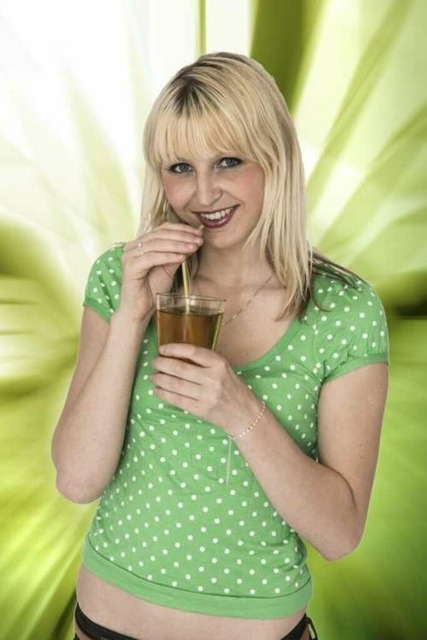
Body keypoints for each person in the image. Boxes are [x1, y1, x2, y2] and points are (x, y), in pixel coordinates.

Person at [51, 52, 389, 640]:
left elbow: (340, 534)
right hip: (105, 625)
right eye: (180, 168)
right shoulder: (121, 277)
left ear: (274, 158)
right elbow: (77, 480)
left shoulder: (343, 311)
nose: (203, 193)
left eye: (228, 161)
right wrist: (132, 315)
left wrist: (240, 411)